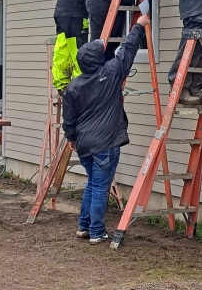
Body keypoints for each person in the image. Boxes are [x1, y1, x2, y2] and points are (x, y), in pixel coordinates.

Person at [62, 13, 150, 244]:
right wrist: (139, 26)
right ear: (96, 59)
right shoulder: (110, 74)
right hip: (106, 143)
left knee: (93, 183)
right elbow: (127, 51)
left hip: (84, 144)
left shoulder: (74, 86)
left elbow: (68, 116)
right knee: (100, 186)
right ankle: (97, 231)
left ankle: (84, 226)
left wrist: (70, 137)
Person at [52, 0, 90, 94]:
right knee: (78, 50)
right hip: (75, 14)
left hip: (62, 14)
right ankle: (79, 86)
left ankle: (62, 84)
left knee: (63, 49)